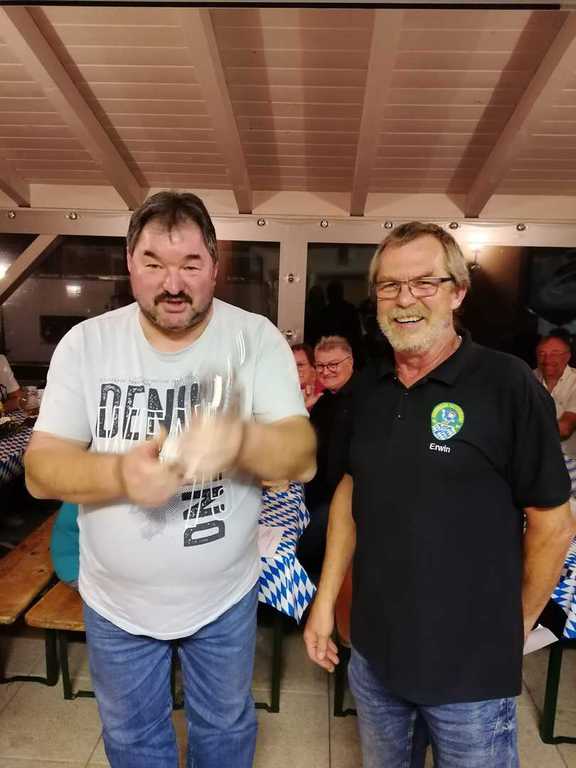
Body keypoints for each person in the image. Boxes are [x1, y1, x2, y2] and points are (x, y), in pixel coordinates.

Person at [24, 191, 316, 768]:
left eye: (190, 264)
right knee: (133, 738)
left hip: (224, 597)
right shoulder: (87, 344)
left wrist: (239, 442)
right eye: (154, 263)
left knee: (225, 729)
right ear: (130, 264)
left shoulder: (254, 337)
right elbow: (39, 470)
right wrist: (119, 473)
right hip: (115, 602)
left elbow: (301, 456)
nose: (173, 284)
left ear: (215, 265)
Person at [304, 221, 575, 768]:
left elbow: (554, 524)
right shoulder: (367, 390)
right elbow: (350, 497)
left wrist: (513, 628)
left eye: (425, 282)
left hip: (469, 673)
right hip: (376, 657)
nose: (405, 299)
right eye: (390, 285)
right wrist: (325, 603)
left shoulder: (508, 385)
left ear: (458, 292)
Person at [297, 336, 354, 576]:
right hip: (314, 491)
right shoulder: (323, 402)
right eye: (320, 365)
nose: (326, 371)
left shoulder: (365, 400)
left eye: (333, 364)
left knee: (303, 550)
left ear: (350, 362)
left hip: (343, 498)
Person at [534, 332, 576, 459]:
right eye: (542, 354)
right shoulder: (527, 378)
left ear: (567, 357)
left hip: (569, 459)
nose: (547, 360)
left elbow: (565, 429)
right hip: (532, 457)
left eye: (555, 354)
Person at [291, 342, 323, 410]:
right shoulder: (284, 391)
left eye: (300, 365)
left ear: (313, 367)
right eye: (291, 365)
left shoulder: (324, 392)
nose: (294, 369)